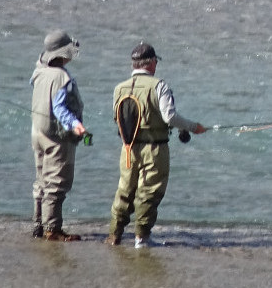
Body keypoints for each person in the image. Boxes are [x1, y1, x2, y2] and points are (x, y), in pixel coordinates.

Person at [105, 42, 207, 248]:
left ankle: (114, 235)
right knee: (148, 193)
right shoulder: (160, 85)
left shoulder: (118, 88)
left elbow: (118, 118)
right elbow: (169, 117)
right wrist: (193, 127)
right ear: (151, 63)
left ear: (134, 64)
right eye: (155, 62)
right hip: (154, 149)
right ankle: (141, 238)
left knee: (124, 191)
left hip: (127, 149)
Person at [29, 29, 86, 241]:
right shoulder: (62, 77)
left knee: (41, 181)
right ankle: (53, 230)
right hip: (57, 137)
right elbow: (61, 109)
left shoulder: (39, 71)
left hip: (37, 133)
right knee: (56, 183)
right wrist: (76, 125)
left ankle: (38, 225)